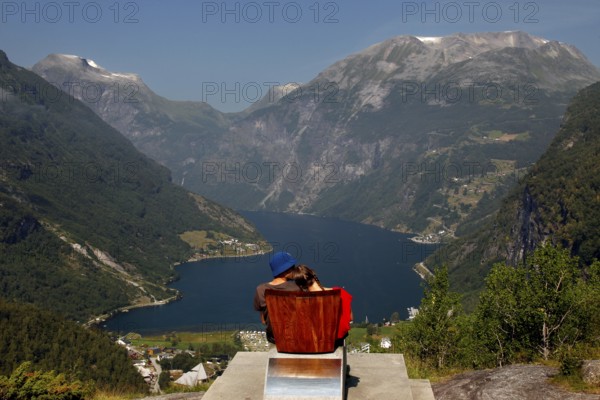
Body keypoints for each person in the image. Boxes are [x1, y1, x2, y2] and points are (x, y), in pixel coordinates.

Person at [289, 264, 353, 341]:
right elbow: (350, 319)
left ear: (300, 285)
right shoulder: (340, 293)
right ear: (313, 276)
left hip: (311, 343)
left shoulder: (302, 302)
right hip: (334, 342)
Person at [253, 251, 301, 343]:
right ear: (286, 269)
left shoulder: (261, 289)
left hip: (275, 338)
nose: (295, 270)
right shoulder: (299, 287)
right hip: (297, 335)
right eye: (293, 267)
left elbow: (263, 321)